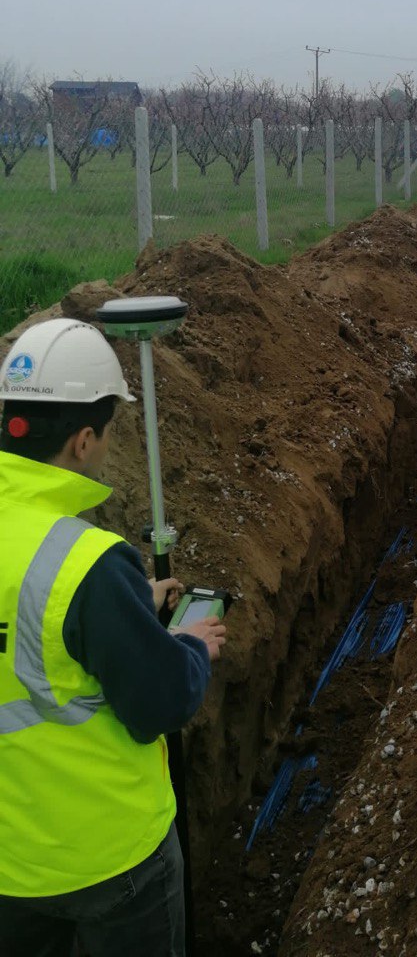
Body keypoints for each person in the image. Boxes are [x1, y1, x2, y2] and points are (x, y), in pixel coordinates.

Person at [0, 317, 227, 957]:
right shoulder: (88, 564)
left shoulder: (82, 578)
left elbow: (24, 629)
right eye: (107, 436)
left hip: (10, 865)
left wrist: (129, 605)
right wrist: (191, 650)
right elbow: (158, 701)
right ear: (81, 441)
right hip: (110, 860)